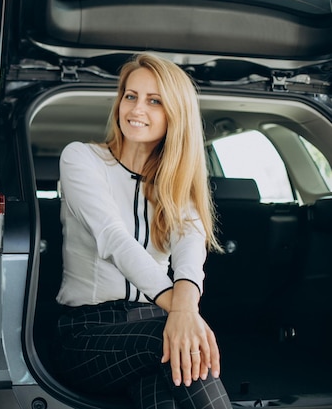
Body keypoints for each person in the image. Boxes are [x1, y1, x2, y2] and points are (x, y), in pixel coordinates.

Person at [54, 53, 232, 409]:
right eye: (130, 96)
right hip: (88, 332)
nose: (136, 109)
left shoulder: (178, 179)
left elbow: (190, 247)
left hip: (156, 324)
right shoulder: (81, 159)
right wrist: (182, 313)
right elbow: (113, 238)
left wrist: (182, 310)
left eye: (154, 101)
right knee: (175, 342)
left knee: (166, 383)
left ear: (175, 115)